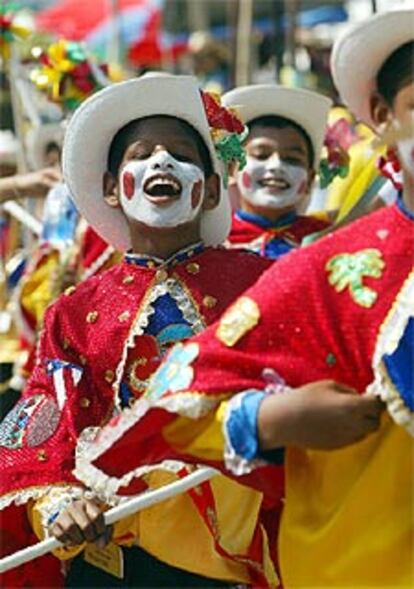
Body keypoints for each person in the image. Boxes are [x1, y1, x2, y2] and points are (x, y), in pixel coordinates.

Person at [75, 9, 414, 588]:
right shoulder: (325, 271)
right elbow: (177, 407)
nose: (162, 166)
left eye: (293, 158)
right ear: (383, 118)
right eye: (144, 156)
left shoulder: (270, 266)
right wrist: (268, 418)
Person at [0, 74, 280, 588]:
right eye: (143, 154)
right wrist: (60, 501)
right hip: (113, 560)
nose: (162, 162)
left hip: (231, 561)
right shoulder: (73, 311)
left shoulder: (267, 285)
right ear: (111, 187)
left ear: (212, 187)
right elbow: (43, 420)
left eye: (180, 154)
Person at [223, 85, 332, 258]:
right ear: (231, 169)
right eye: (261, 155)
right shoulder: (214, 241)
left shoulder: (328, 239)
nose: (276, 165)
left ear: (311, 178)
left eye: (292, 159)